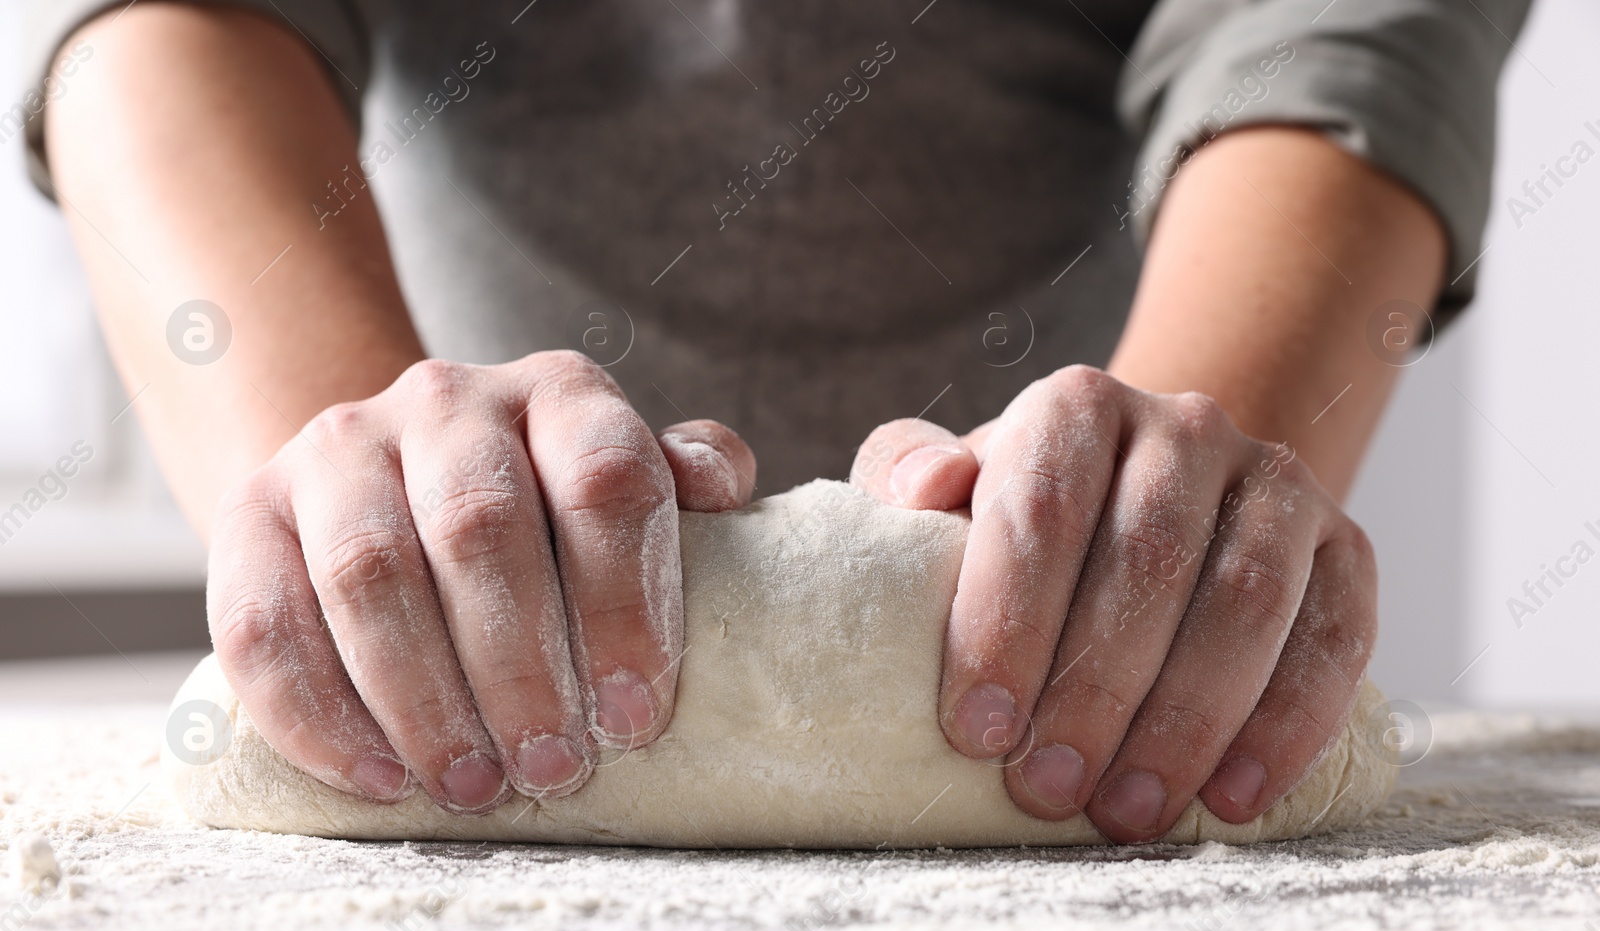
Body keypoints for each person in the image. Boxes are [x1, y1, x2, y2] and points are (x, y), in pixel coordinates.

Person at [23, 0, 1528, 843]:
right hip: (478, 489)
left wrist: (1176, 541)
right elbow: (169, 24)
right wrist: (350, 535)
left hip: (1080, 491)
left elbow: (1339, 36)